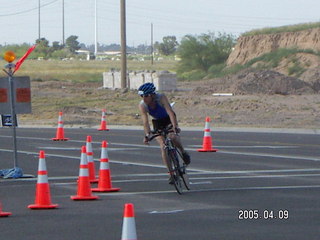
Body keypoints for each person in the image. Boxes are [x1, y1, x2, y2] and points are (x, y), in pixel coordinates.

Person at [138, 82, 191, 184]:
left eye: (146, 96)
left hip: (168, 119)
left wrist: (175, 126)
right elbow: (145, 121)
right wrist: (147, 134)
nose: (144, 98)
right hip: (157, 122)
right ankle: (171, 174)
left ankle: (183, 152)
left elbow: (170, 112)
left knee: (172, 137)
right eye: (142, 96)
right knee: (163, 146)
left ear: (152, 95)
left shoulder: (161, 97)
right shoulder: (143, 105)